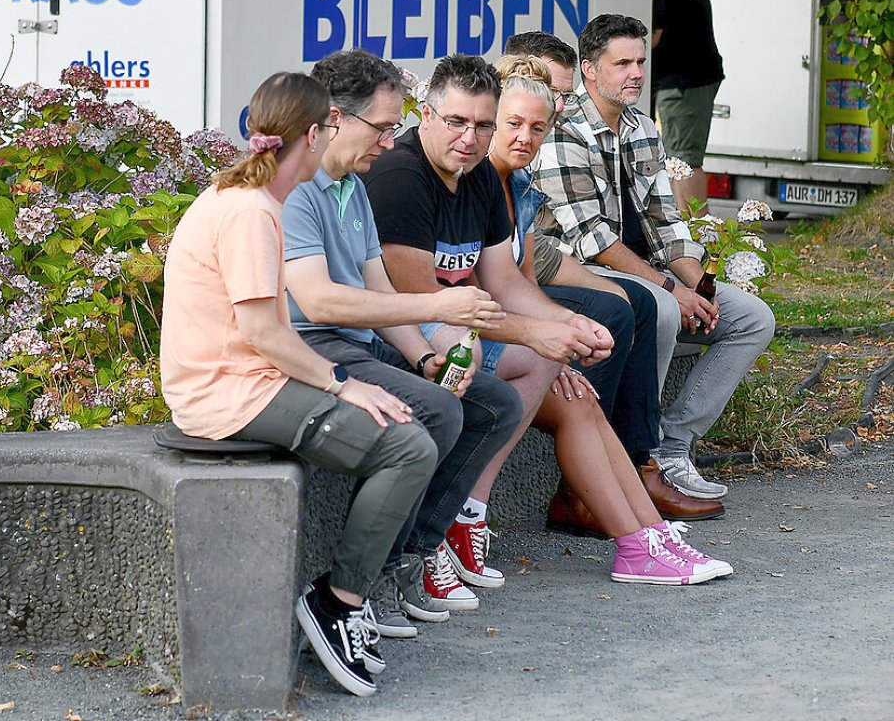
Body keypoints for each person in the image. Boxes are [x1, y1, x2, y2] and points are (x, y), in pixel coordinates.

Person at [160, 72, 436, 698]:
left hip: (241, 382)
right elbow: (263, 332)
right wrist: (342, 386)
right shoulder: (250, 212)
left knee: (406, 430)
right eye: (332, 130)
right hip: (227, 395)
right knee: (407, 445)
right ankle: (338, 602)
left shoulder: (247, 199)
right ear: (313, 134)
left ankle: (344, 598)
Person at [280, 50, 523, 637]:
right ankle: (373, 576)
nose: (391, 142)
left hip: (355, 341)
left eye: (394, 129)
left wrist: (425, 354)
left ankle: (413, 552)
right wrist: (436, 307)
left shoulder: (351, 186)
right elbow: (320, 304)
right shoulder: (295, 189)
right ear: (335, 118)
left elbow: (376, 288)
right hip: (314, 346)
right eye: (384, 128)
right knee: (437, 409)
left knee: (494, 403)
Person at [361, 54, 620, 604]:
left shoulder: (478, 175)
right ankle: (419, 545)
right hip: (393, 331)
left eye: (482, 125)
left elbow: (503, 279)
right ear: (425, 115)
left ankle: (465, 514)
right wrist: (528, 332)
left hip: (452, 322)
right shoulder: (401, 176)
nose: (470, 138)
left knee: (548, 355)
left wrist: (568, 323)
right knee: (472, 368)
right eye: (456, 122)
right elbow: (417, 302)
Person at [487, 57, 730, 580]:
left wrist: (558, 332)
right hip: (458, 339)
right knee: (630, 308)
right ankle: (468, 523)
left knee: (584, 400)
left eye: (538, 124)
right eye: (514, 123)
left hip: (502, 324)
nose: (530, 133)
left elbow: (515, 282)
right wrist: (550, 333)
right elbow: (462, 296)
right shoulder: (465, 182)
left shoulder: (518, 189)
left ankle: (644, 532)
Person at [531, 14, 775, 503]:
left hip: (651, 273)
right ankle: (637, 457)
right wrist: (671, 291)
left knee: (751, 317)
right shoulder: (563, 132)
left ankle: (673, 447)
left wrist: (700, 288)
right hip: (584, 271)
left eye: (641, 61)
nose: (636, 73)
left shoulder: (643, 129)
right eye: (622, 63)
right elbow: (592, 240)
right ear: (589, 70)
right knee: (660, 309)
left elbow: (668, 226)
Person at [651, 0, 725, 211]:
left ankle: (697, 234)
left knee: (683, 160)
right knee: (683, 158)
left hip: (683, 84)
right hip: (702, 76)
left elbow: (654, 38)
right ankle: (690, 229)